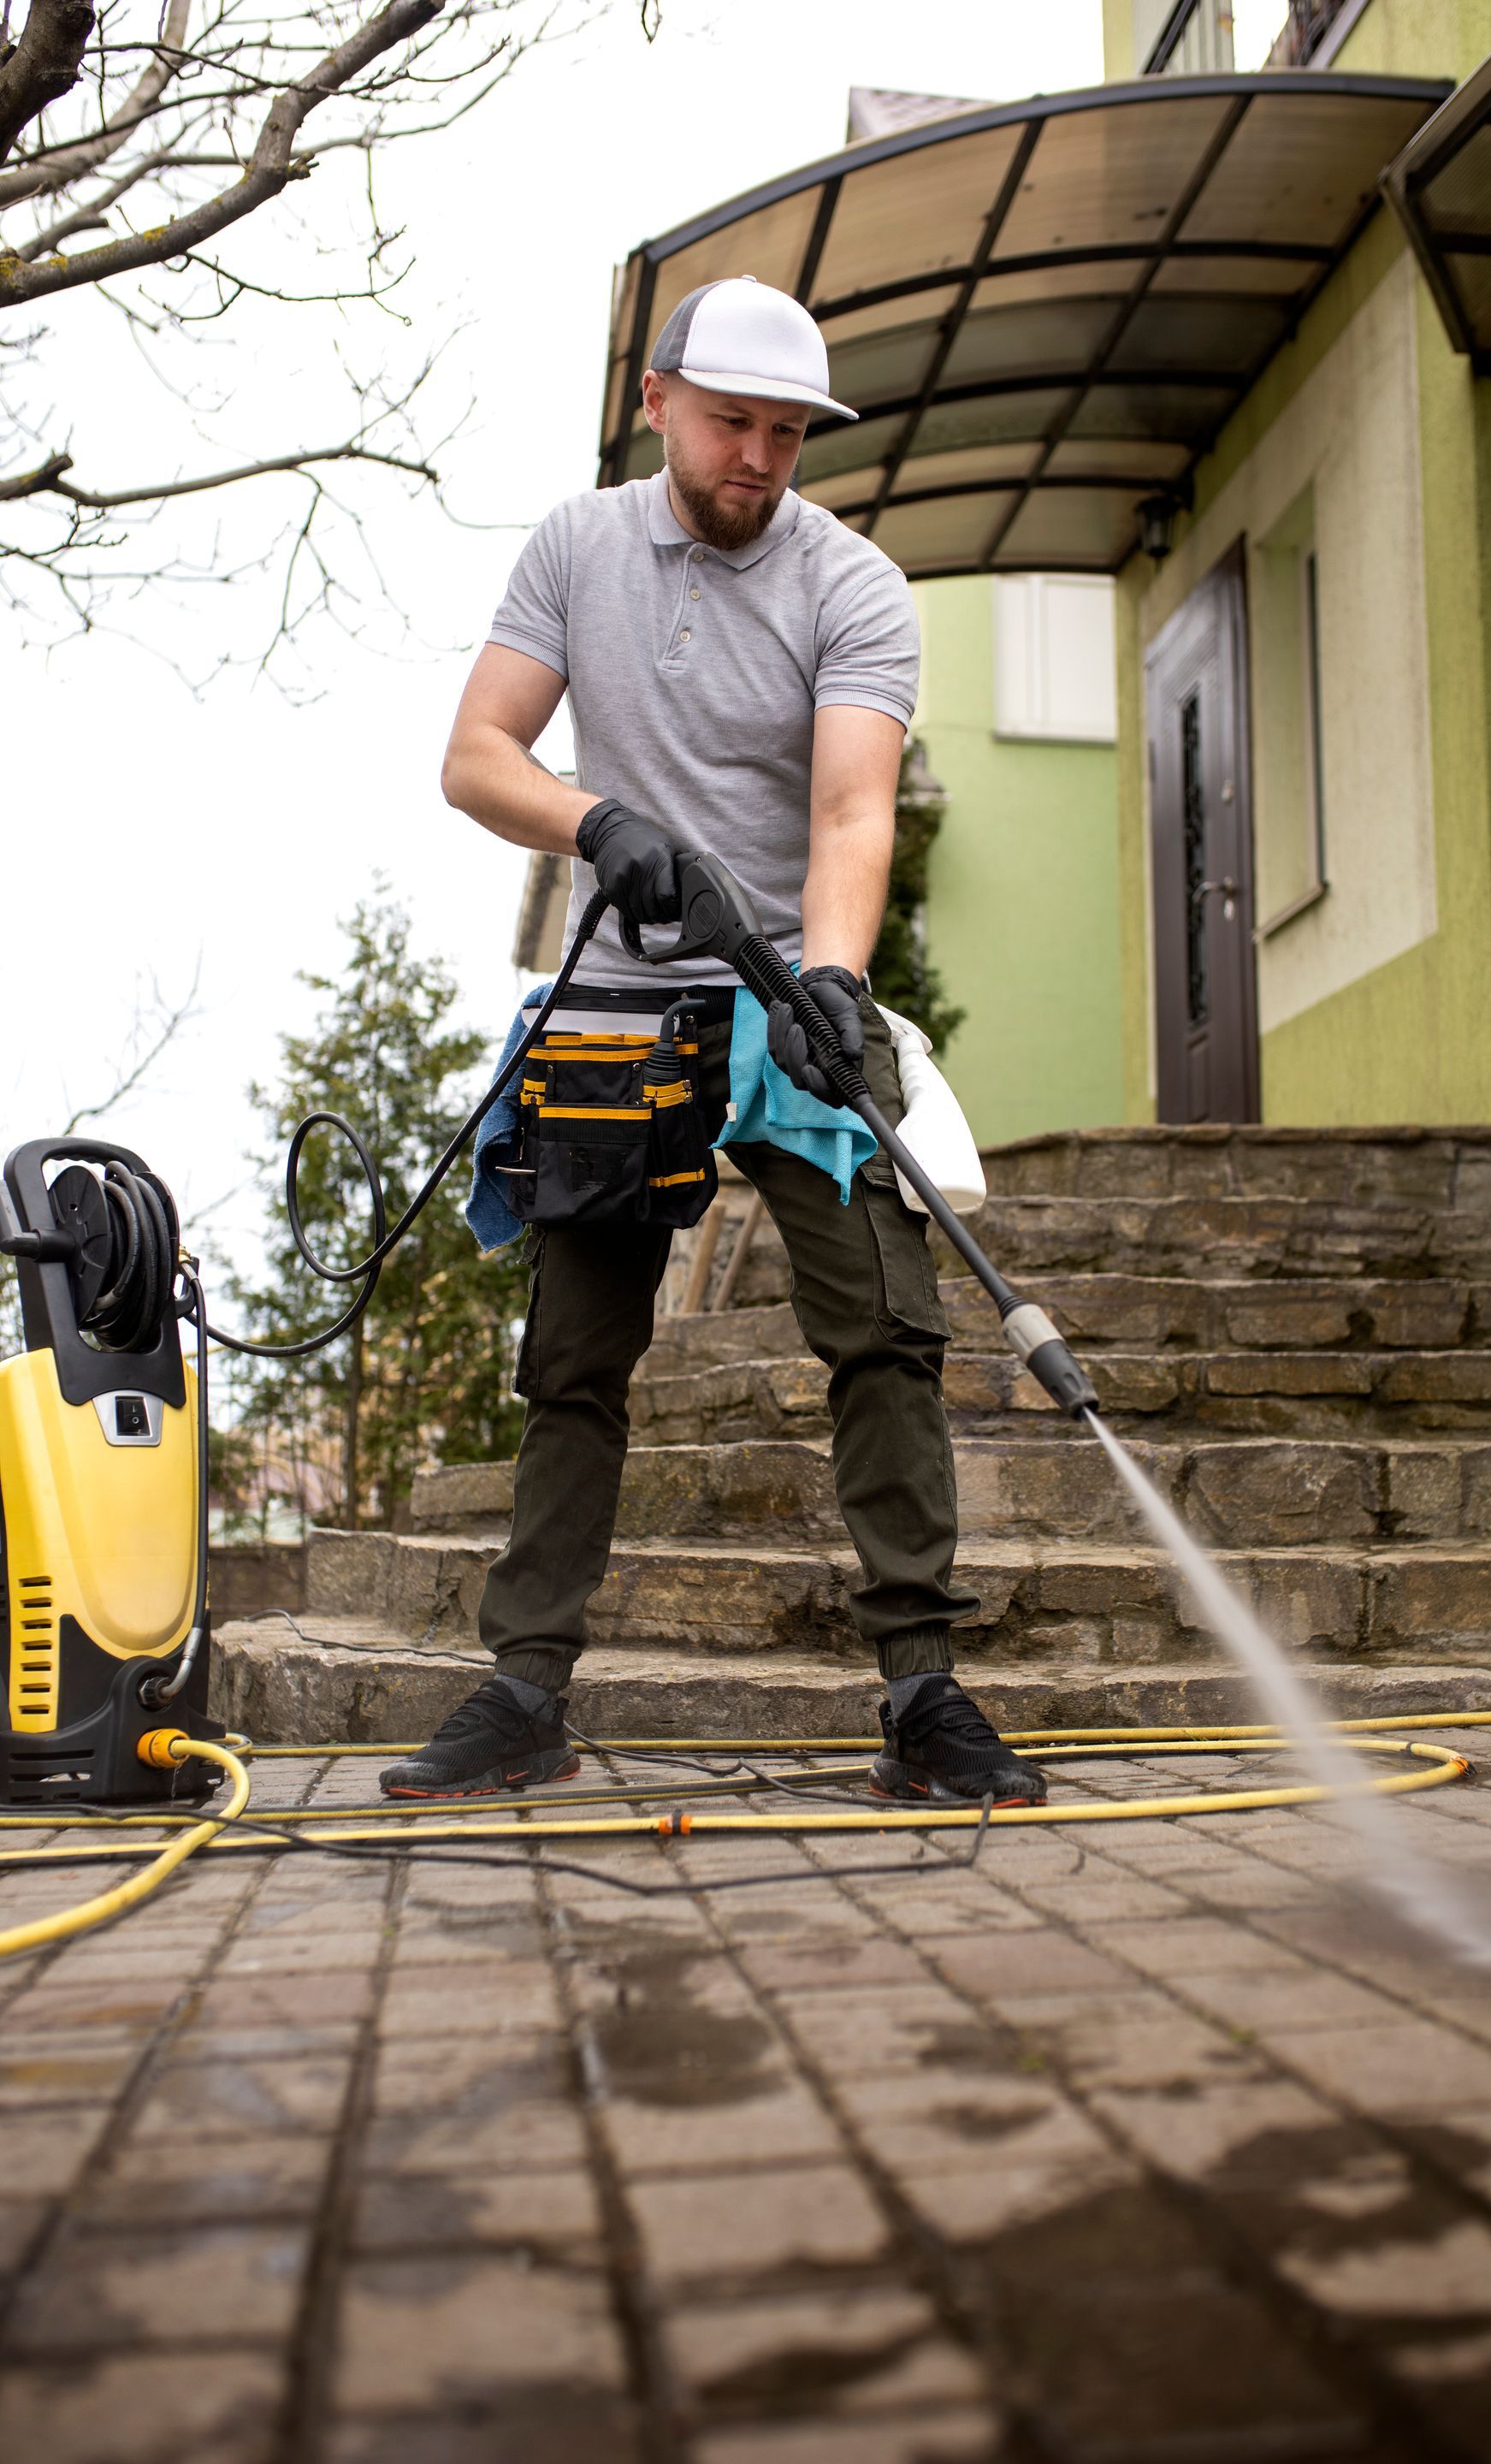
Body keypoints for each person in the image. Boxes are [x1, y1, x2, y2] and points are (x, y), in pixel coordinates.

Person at [380, 276, 1046, 1810]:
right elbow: (477, 757)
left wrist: (830, 982)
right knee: (576, 1356)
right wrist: (597, 820)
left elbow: (849, 810)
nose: (761, 454)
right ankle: (525, 1691)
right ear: (661, 401)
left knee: (888, 1329)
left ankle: (921, 1695)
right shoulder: (576, 547)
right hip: (621, 1000)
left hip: (793, 993)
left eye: (788, 431)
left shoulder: (854, 583)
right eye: (734, 420)